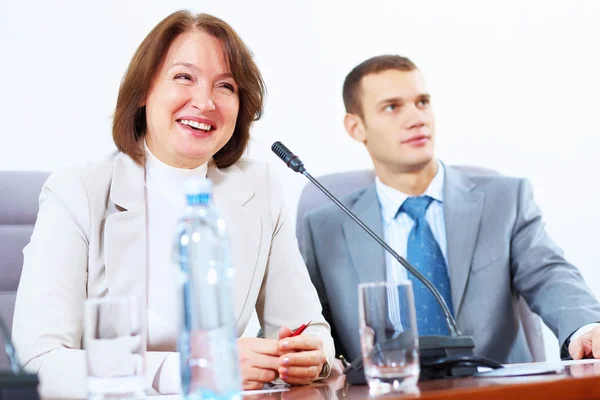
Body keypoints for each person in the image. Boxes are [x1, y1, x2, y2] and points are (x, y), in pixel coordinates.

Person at [12, 10, 334, 398]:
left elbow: (309, 329)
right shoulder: (78, 191)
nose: (205, 102)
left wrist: (307, 356)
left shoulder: (259, 187)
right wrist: (187, 370)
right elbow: (39, 360)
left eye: (226, 87)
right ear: (144, 91)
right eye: (184, 77)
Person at [301, 54, 600, 367]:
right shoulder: (325, 227)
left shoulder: (504, 201)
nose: (417, 118)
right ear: (356, 127)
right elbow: (306, 324)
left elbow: (550, 274)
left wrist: (587, 328)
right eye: (392, 107)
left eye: (422, 102)